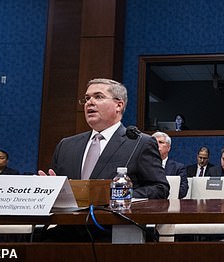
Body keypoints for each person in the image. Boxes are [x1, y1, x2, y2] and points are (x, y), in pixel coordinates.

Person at [37, 78, 169, 242]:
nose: (89, 102)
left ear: (119, 105)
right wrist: (48, 188)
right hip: (67, 233)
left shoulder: (140, 143)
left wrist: (118, 195)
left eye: (98, 97)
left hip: (115, 231)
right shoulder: (67, 145)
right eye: (86, 98)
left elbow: (160, 187)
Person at [153, 131, 189, 198]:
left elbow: (183, 191)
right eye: (154, 142)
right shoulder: (143, 165)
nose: (157, 145)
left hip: (171, 204)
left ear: (168, 148)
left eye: (160, 142)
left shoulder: (178, 167)